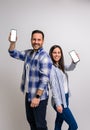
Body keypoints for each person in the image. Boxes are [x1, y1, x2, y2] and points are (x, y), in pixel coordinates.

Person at [8, 30, 52, 130]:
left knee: (40, 125)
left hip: (38, 97)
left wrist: (37, 97)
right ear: (31, 40)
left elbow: (44, 80)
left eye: (39, 40)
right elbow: (13, 53)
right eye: (34, 39)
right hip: (29, 94)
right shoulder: (29, 53)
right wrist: (12, 43)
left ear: (43, 41)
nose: (36, 42)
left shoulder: (44, 57)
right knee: (32, 123)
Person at [49, 45, 78, 130]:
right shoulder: (51, 68)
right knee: (74, 126)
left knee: (59, 121)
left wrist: (74, 62)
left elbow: (70, 68)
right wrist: (58, 104)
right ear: (51, 54)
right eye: (54, 52)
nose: (57, 54)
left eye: (59, 52)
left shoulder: (60, 66)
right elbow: (53, 88)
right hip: (59, 100)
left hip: (65, 97)